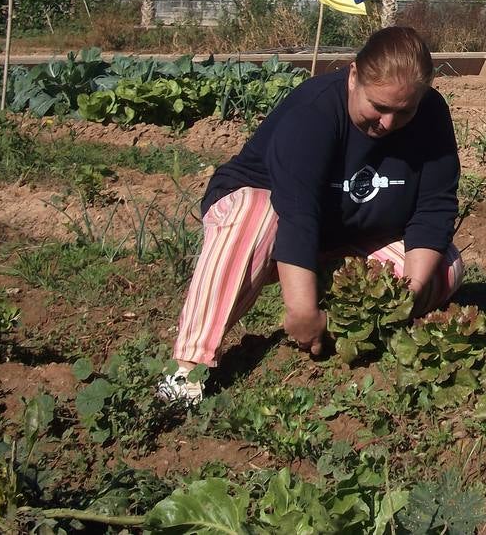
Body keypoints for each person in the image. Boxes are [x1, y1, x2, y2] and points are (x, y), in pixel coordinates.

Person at [160, 26, 464, 404]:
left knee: (446, 265)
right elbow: (298, 215)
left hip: (347, 236)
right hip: (270, 227)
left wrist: (408, 295)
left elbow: (434, 209)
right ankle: (189, 365)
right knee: (254, 210)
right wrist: (300, 311)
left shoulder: (433, 117)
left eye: (403, 111)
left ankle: (343, 316)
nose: (387, 123)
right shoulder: (313, 111)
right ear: (354, 76)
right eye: (379, 106)